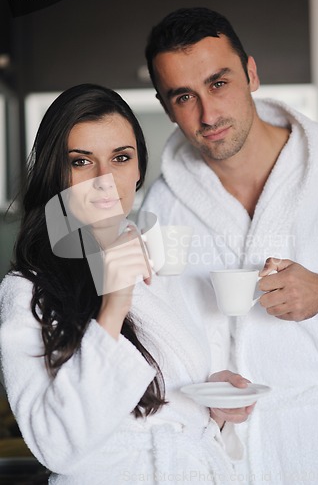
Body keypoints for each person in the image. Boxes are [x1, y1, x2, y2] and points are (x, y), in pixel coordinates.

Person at [0, 83, 254, 485]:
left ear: (138, 170)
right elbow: (55, 445)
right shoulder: (26, 292)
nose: (104, 179)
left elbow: (171, 407)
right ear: (56, 173)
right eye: (82, 162)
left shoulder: (156, 264)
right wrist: (114, 304)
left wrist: (209, 402)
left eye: (120, 157)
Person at [140, 7, 318, 484]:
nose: (208, 114)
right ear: (166, 107)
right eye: (184, 96)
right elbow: (158, 342)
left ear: (250, 73)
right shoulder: (161, 208)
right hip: (226, 459)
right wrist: (198, 389)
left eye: (218, 83)